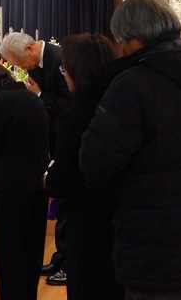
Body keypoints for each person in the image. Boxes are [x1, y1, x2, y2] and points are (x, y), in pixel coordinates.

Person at [80, 0, 181, 300]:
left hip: (158, 247)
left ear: (135, 38)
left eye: (122, 40)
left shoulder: (133, 84)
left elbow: (96, 164)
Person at [45, 34, 123, 300]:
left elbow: (62, 179)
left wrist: (49, 178)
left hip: (88, 223)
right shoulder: (125, 105)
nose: (64, 76)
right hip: (125, 221)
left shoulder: (74, 117)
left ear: (79, 71)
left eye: (65, 69)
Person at [0, 32, 72, 285]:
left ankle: (68, 262)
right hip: (53, 139)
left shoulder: (60, 58)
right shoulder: (36, 62)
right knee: (60, 202)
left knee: (66, 205)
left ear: (30, 49)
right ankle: (60, 257)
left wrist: (40, 96)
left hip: (69, 139)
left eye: (21, 64)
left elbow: (71, 103)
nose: (22, 69)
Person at [0, 62, 49, 300]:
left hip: (12, 187)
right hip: (39, 184)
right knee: (33, 247)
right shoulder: (33, 98)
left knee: (10, 251)